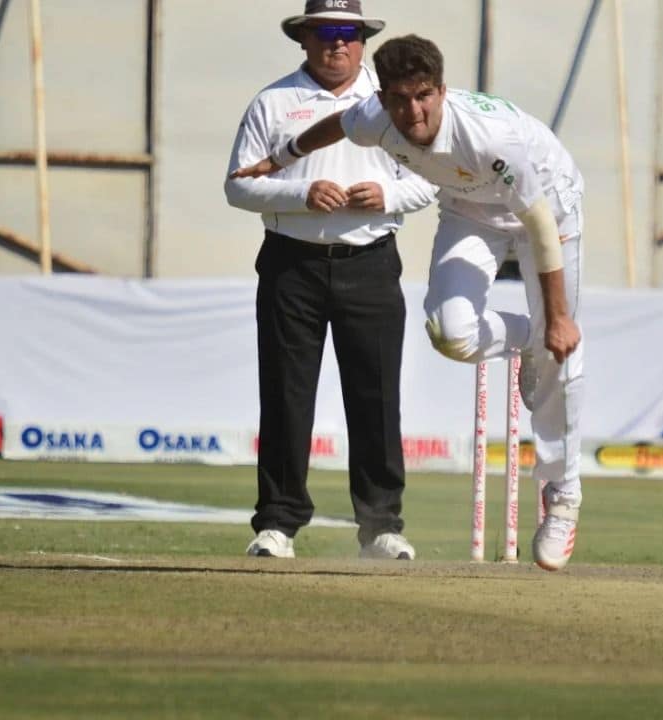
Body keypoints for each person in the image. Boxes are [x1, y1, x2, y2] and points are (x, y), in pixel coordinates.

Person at [232, 34, 586, 571]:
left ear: (442, 91)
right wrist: (277, 159)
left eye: (423, 97)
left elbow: (538, 222)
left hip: (548, 205)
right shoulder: (375, 116)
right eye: (399, 99)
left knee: (561, 349)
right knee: (450, 331)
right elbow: (336, 125)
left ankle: (562, 497)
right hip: (471, 208)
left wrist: (557, 320)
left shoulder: (491, 138)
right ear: (383, 98)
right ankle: (527, 339)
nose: (413, 112)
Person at [224, 2, 435, 561]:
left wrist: (386, 194)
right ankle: (278, 524)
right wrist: (302, 193)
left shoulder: (390, 102)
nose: (336, 42)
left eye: (347, 32)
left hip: (371, 262)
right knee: (286, 394)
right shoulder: (273, 102)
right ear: (303, 39)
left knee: (376, 396)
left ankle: (381, 526)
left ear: (363, 40)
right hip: (291, 264)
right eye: (324, 32)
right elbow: (238, 186)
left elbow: (429, 182)